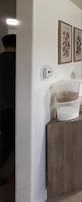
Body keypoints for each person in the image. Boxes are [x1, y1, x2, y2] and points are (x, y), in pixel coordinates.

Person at [0, 34, 16, 183]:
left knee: (5, 138)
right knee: (9, 140)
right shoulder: (20, 61)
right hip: (15, 106)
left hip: (3, 105)